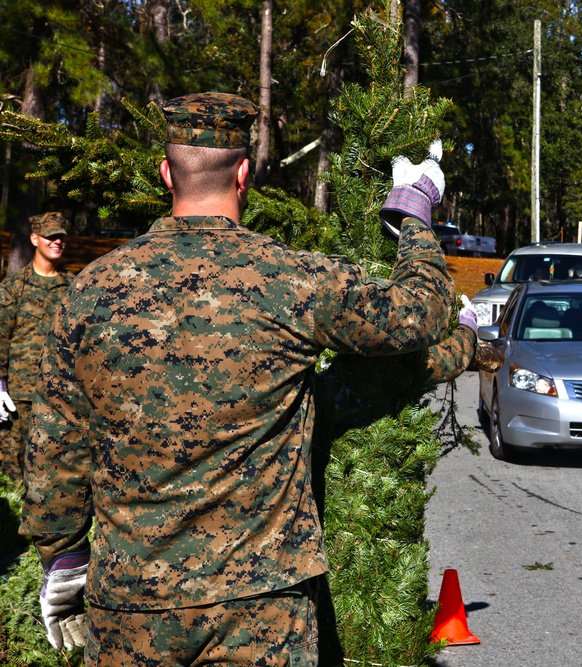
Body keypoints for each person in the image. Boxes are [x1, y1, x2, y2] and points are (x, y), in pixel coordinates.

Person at [19, 92, 455, 665]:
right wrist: (414, 208)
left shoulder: (89, 292)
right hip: (261, 606)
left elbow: (56, 446)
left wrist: (62, 559)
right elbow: (420, 312)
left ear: (166, 174)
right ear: (244, 173)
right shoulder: (292, 280)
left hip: (129, 600)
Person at [0, 212, 73, 486]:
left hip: (61, 395)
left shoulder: (74, 287)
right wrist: (0, 385)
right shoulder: (14, 287)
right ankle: (10, 525)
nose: (57, 242)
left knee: (56, 468)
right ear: (34, 239)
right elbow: (1, 335)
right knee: (13, 466)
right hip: (19, 396)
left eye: (61, 237)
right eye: (50, 236)